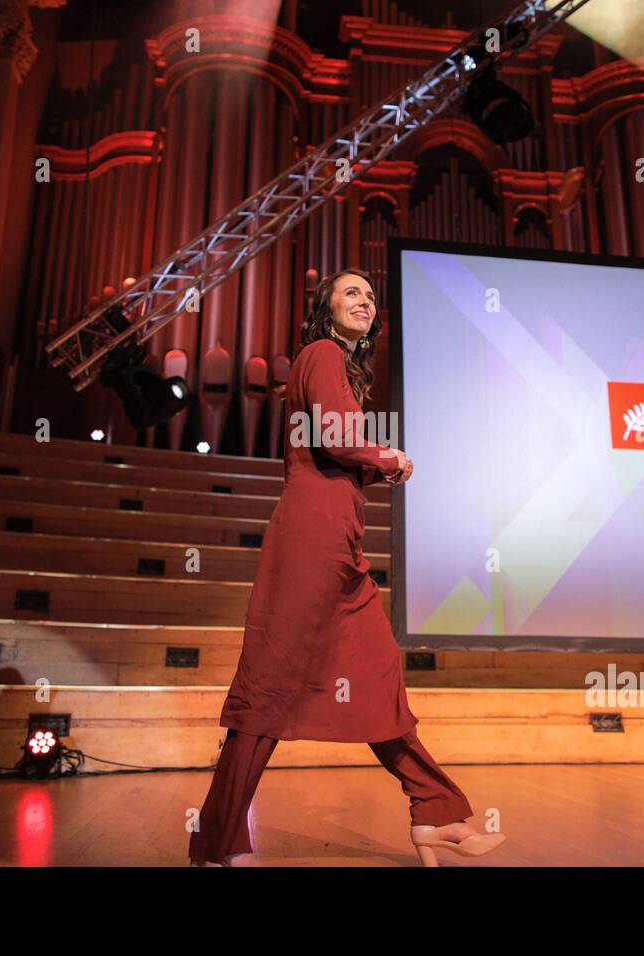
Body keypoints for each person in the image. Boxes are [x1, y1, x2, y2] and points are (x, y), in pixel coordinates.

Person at [187, 268, 506, 867]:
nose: (366, 301)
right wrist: (390, 457)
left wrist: (372, 463)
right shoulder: (322, 351)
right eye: (352, 292)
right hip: (311, 537)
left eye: (370, 295)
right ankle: (218, 841)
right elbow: (337, 440)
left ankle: (437, 813)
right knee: (271, 684)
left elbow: (334, 444)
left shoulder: (336, 363)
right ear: (325, 307)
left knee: (377, 676)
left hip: (342, 540)